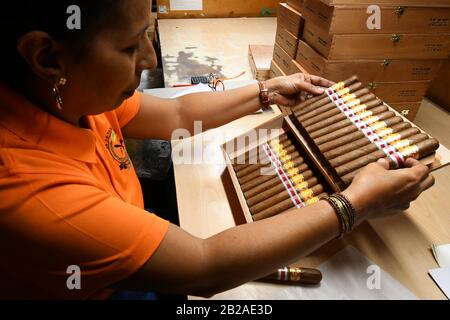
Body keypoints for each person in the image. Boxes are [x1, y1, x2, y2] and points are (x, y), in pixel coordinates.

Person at [0, 0, 434, 300]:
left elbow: (177, 115)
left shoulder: (69, 95)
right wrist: (354, 205)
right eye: (130, 46)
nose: (149, 59)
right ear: (48, 57)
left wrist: (266, 90)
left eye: (148, 36)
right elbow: (205, 267)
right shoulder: (25, 189)